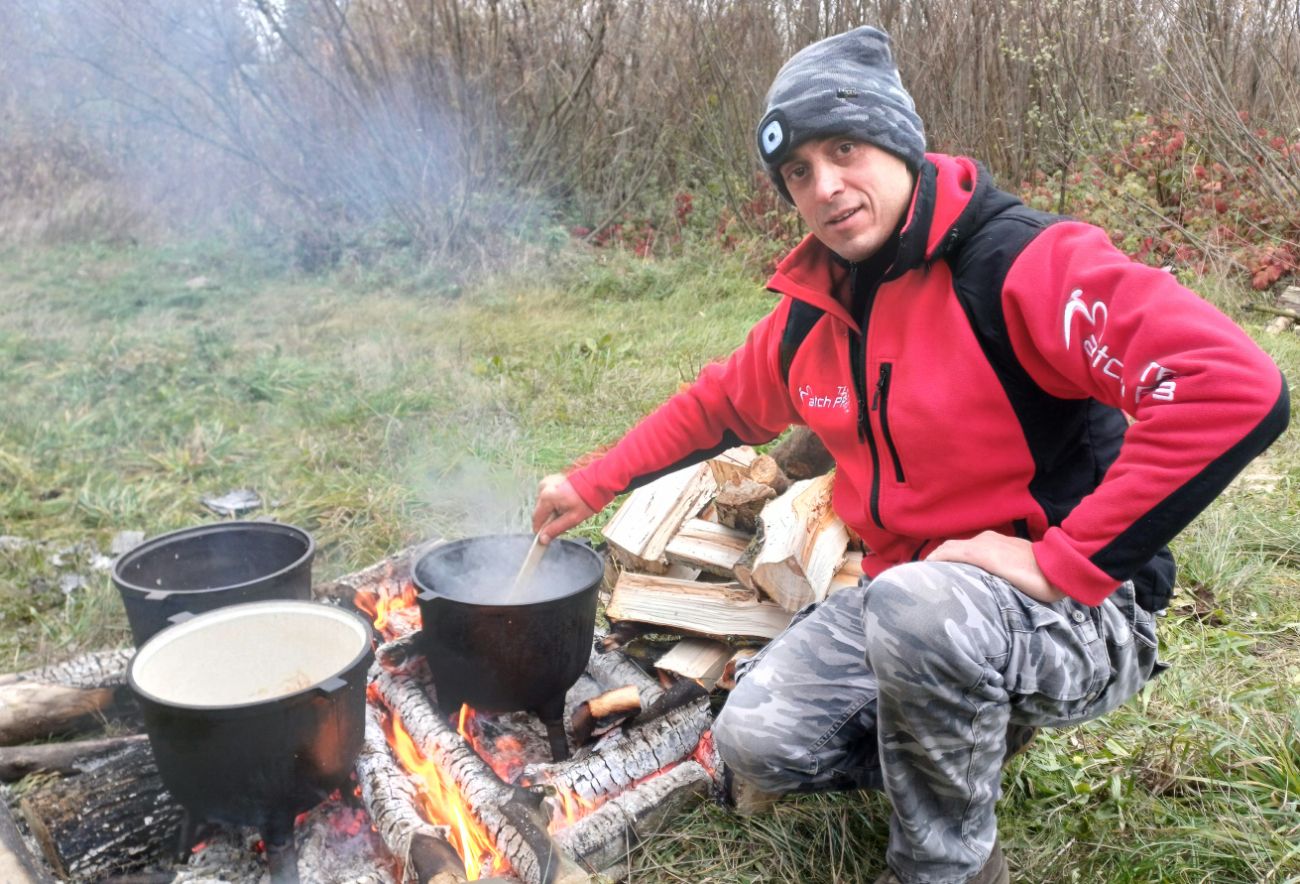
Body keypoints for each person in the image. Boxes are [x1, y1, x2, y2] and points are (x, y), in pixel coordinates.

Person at [531, 25, 1289, 884]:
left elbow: (1229, 384)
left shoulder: (1017, 263)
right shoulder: (816, 312)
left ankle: (947, 864)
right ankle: (960, 734)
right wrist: (589, 483)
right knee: (757, 739)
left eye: (843, 149)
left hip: (1082, 613)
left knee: (918, 611)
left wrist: (1063, 561)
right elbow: (718, 406)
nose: (825, 187)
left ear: (898, 141)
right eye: (798, 172)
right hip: (912, 601)